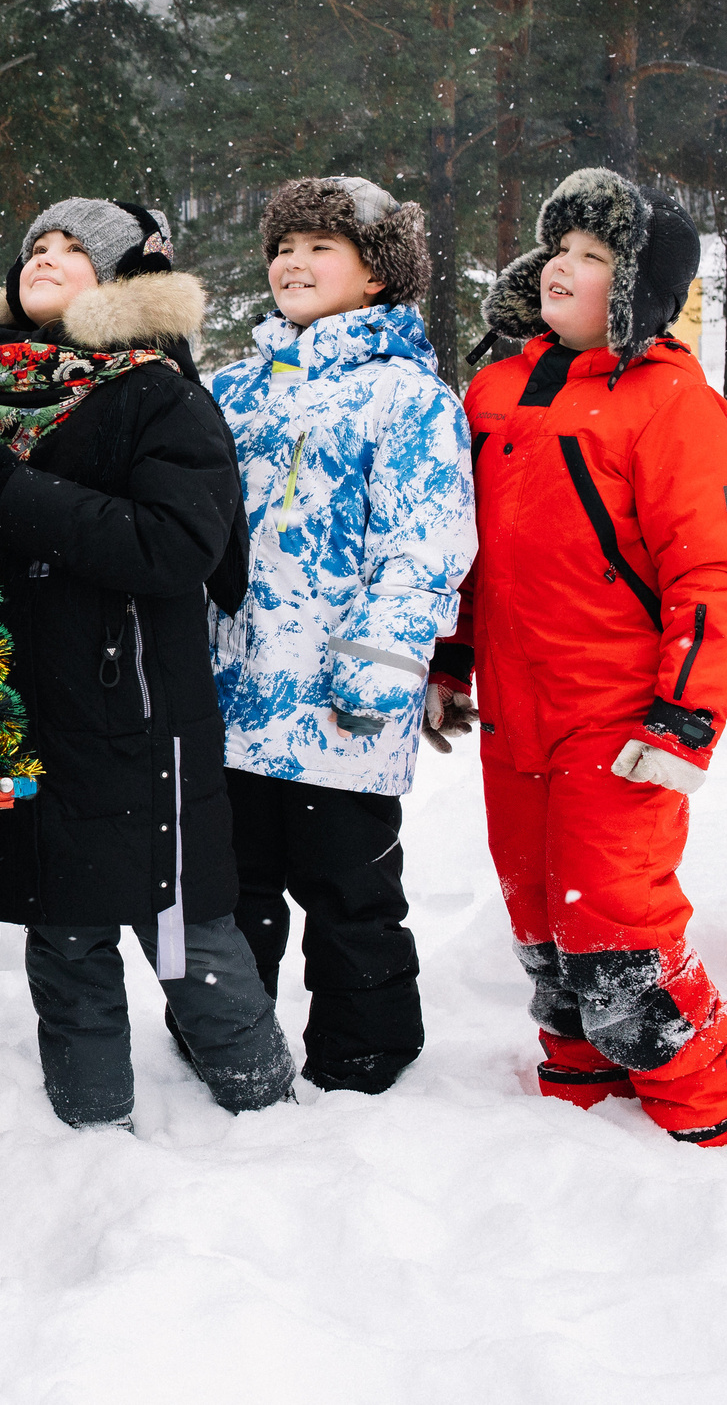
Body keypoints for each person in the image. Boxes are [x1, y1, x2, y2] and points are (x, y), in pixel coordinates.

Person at [0, 198, 294, 1128]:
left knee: (185, 934)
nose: (45, 256)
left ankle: (269, 1115)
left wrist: (18, 488)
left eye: (74, 249)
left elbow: (175, 548)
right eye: (35, 244)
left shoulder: (159, 391)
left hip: (141, 718)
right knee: (64, 934)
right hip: (30, 713)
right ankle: (91, 1133)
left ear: (123, 280)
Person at [440, 166, 727, 1146]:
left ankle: (722, 1106)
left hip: (618, 721)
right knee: (544, 929)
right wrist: (449, 663)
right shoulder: (496, 391)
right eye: (560, 249)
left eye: (594, 257)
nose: (562, 269)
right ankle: (581, 1116)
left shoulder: (669, 403)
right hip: (515, 709)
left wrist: (684, 717)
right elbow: (468, 554)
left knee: (618, 945)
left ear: (635, 292)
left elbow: (711, 574)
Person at [208, 178, 476, 1095]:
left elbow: (427, 544)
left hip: (339, 710)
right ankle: (227, 1046)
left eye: (321, 245)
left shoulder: (406, 396)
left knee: (350, 900)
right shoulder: (231, 389)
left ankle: (364, 1059)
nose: (294, 260)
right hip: (232, 705)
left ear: (376, 274)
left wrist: (377, 673)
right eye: (284, 245)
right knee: (229, 898)